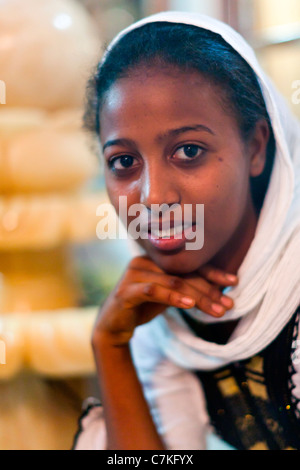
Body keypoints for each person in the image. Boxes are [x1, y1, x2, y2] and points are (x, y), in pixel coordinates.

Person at [73, 11, 300, 450]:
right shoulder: (162, 316)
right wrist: (111, 345)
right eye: (124, 162)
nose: (153, 198)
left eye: (188, 151)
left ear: (255, 146)